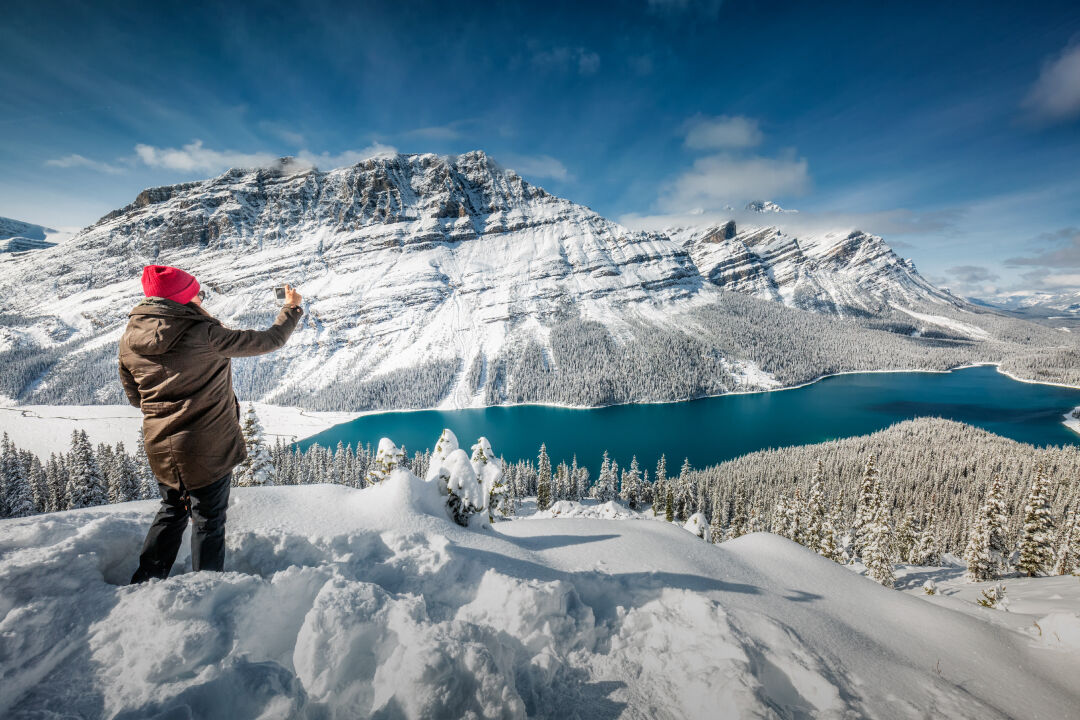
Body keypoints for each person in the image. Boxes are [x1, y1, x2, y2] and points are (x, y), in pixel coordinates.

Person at [120, 265, 303, 583]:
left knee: (173, 509)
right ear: (183, 299)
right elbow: (270, 340)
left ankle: (147, 579)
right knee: (208, 519)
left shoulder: (129, 338)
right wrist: (291, 308)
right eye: (196, 293)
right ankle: (206, 588)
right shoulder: (204, 334)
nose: (200, 298)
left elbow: (137, 398)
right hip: (206, 447)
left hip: (162, 446)